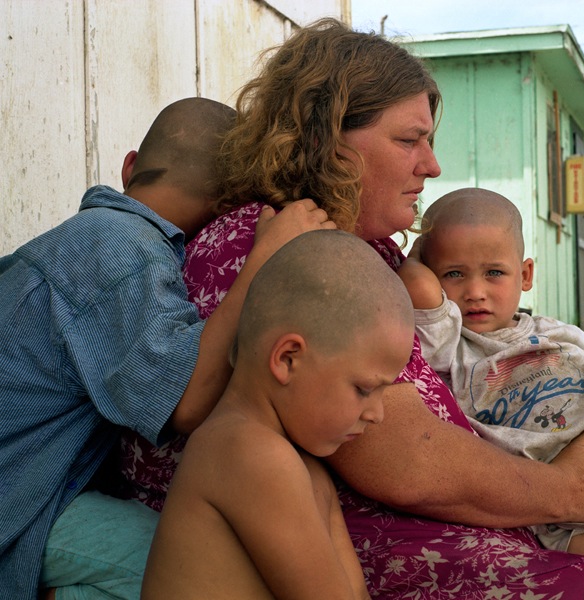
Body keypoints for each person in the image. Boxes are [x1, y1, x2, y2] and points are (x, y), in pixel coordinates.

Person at [118, 20, 584, 597]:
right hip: (368, 542)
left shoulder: (353, 247)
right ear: (328, 140)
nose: (432, 165)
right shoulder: (285, 250)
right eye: (408, 141)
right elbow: (401, 460)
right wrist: (566, 493)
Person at [0, 96, 335, 600]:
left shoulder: (84, 236)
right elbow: (185, 400)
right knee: (208, 564)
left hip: (31, 489)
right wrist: (265, 257)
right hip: (20, 502)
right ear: (227, 210)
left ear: (130, 165)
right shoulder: (125, 251)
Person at [141, 230, 415, 599]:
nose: (377, 413)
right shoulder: (246, 450)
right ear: (288, 359)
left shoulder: (307, 467)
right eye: (364, 389)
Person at [397, 186, 584, 558]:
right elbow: (417, 288)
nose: (475, 291)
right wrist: (416, 256)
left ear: (525, 274)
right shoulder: (449, 347)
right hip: (560, 507)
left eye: (494, 272)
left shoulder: (558, 334)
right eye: (454, 273)